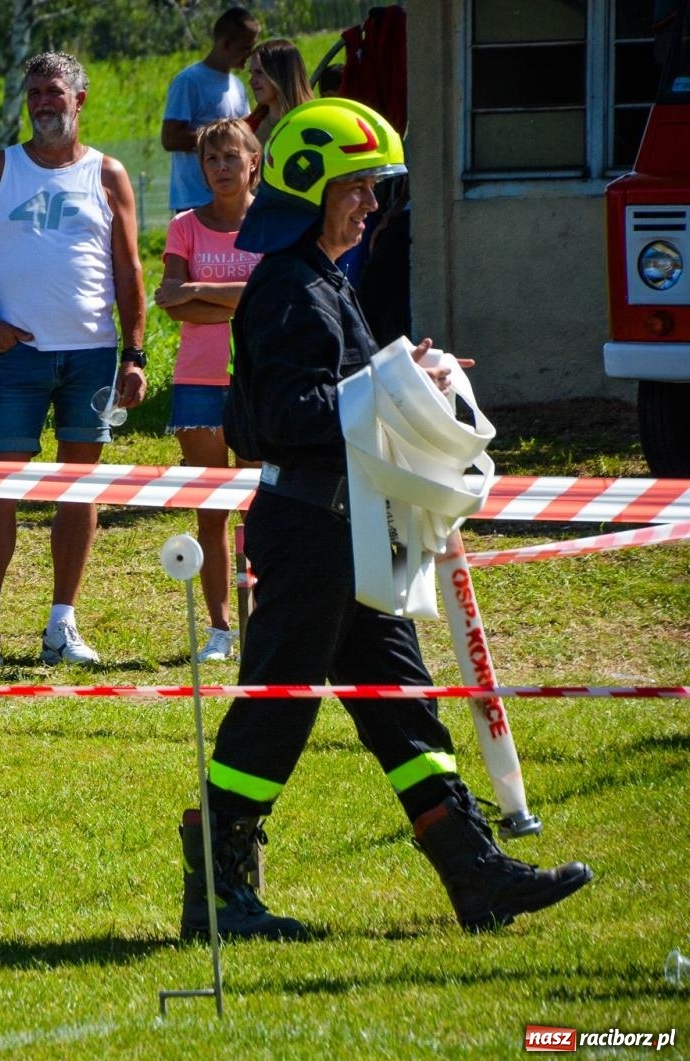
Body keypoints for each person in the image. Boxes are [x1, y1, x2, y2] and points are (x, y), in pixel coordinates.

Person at [180, 98, 592, 940]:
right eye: (361, 188)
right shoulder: (289, 287)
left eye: (378, 190)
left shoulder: (325, 281)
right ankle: (220, 896)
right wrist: (394, 387)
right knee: (276, 710)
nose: (373, 207)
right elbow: (293, 415)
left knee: (404, 703)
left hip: (353, 534)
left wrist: (416, 374)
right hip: (311, 536)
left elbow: (350, 395)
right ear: (312, 188)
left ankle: (477, 877)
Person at [0, 51, 146, 673]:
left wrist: (133, 355)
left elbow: (130, 271)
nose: (43, 104)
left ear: (80, 99)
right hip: (20, 356)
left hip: (91, 354)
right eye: (34, 94)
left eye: (54, 93)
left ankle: (62, 625)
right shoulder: (1, 169)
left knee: (77, 489)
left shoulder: (108, 175)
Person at [154, 118, 264, 662]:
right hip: (197, 380)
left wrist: (197, 289)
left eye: (230, 157)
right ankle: (220, 630)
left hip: (258, 379)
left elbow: (268, 297)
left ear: (253, 163)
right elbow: (168, 301)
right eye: (211, 160)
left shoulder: (272, 224)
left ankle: (264, 622)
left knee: (259, 508)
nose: (221, 168)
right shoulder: (184, 226)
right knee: (211, 509)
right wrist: (231, 297)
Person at [162, 7, 258, 213]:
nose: (250, 55)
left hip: (233, 200)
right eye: (246, 48)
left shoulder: (238, 86)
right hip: (196, 200)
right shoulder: (189, 81)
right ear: (225, 44)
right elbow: (170, 139)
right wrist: (221, 141)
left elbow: (246, 134)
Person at [245, 38, 314, 146]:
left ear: (281, 75)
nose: (251, 81)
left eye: (259, 72)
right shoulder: (249, 127)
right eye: (251, 73)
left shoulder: (313, 125)